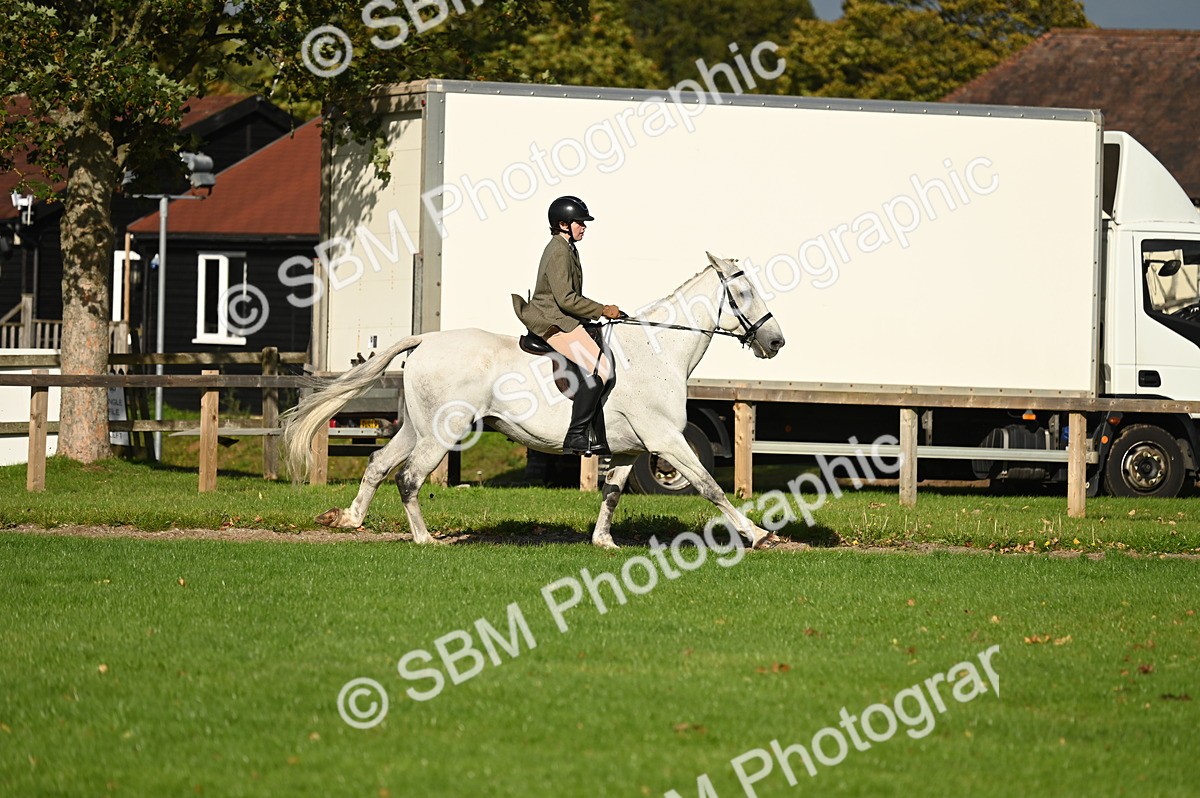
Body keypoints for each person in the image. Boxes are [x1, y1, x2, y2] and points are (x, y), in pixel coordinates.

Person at [512, 195, 622, 455]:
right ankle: (575, 436)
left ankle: (597, 438)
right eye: (579, 222)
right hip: (552, 321)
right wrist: (602, 310)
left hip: (563, 317)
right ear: (563, 224)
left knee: (601, 368)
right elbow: (566, 298)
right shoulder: (559, 250)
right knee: (600, 369)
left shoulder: (568, 247)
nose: (584, 227)